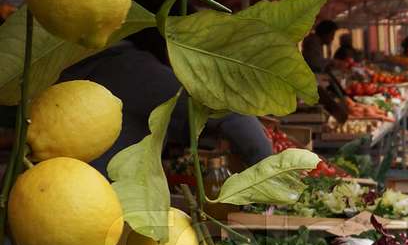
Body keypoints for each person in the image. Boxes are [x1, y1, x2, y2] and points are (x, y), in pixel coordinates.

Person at [60, 39, 273, 172]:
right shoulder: (136, 70)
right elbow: (232, 114)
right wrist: (273, 178)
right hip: (100, 206)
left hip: (62, 194)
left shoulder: (78, 63)